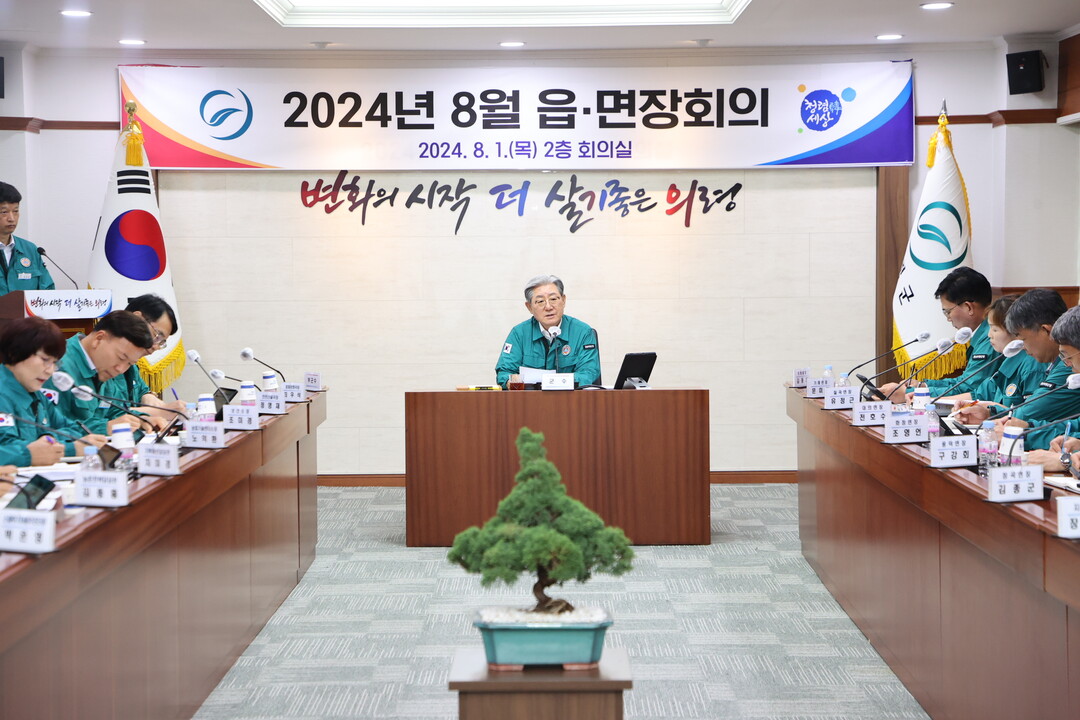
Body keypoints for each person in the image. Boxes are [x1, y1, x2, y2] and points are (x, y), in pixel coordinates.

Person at [955, 289, 1080, 450]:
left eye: (1022, 338)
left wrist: (1023, 433)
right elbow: (1073, 426)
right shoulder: (1063, 363)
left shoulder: (1066, 369)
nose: (1021, 346)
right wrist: (1023, 427)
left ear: (1046, 331)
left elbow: (1029, 412)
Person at [0, 317, 106, 466]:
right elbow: (6, 449)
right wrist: (67, 449)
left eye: (54, 363)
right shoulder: (3, 395)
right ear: (15, 353)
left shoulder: (36, 393)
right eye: (45, 360)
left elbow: (73, 428)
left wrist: (48, 440)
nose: (50, 371)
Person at [880, 266, 995, 401]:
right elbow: (963, 382)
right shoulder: (982, 333)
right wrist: (922, 385)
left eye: (948, 312)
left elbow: (967, 388)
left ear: (968, 307)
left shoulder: (990, 338)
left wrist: (911, 392)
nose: (948, 319)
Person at [43, 310, 165, 435]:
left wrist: (140, 419)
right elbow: (50, 428)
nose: (120, 369)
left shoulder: (102, 367)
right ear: (99, 338)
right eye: (121, 358)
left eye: (129, 363)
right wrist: (105, 427)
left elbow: (114, 410)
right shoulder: (56, 367)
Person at [495, 275, 600, 388]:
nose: (548, 307)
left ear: (563, 300)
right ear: (529, 307)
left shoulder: (583, 332)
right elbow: (504, 372)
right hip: (531, 398)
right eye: (540, 301)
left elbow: (588, 373)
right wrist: (511, 380)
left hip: (570, 398)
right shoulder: (519, 334)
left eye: (553, 299)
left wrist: (552, 382)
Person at [942, 295, 1045, 410]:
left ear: (1016, 331)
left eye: (995, 329)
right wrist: (930, 399)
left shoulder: (1032, 366)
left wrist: (988, 410)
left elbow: (1025, 415)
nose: (989, 335)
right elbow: (978, 395)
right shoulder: (1007, 362)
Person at [124, 293, 187, 418]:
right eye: (157, 335)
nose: (156, 346)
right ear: (137, 318)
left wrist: (147, 396)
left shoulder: (131, 363)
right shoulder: (106, 358)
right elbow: (105, 414)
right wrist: (158, 412)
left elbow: (140, 389)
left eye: (162, 342)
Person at [0, 182, 55, 295]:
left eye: (15, 211)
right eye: (4, 212)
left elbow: (48, 292)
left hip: (26, 308)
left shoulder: (30, 250)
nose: (11, 218)